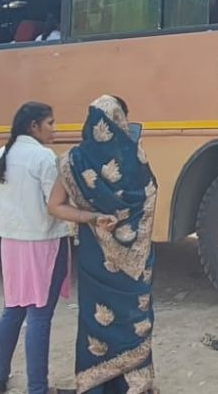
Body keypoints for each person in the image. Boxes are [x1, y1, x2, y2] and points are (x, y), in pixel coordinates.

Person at [0, 102, 111, 394]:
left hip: (10, 244)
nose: (54, 130)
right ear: (34, 126)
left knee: (13, 310)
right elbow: (55, 207)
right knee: (40, 317)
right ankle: (38, 388)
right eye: (51, 123)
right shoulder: (43, 158)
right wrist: (91, 217)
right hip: (43, 245)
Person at [49, 95, 159, 394]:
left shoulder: (72, 162)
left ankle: (98, 385)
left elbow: (55, 206)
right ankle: (135, 385)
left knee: (97, 321)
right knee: (133, 319)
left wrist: (92, 217)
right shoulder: (136, 158)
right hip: (136, 260)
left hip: (94, 253)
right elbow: (149, 198)